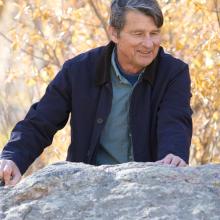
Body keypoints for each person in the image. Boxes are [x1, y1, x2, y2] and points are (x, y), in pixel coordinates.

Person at [0, 0, 192, 186]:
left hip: (149, 188)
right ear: (114, 33)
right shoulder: (78, 71)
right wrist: (12, 157)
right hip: (89, 189)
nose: (149, 44)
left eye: (154, 33)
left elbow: (175, 120)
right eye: (138, 34)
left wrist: (173, 154)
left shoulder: (173, 73)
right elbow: (41, 121)